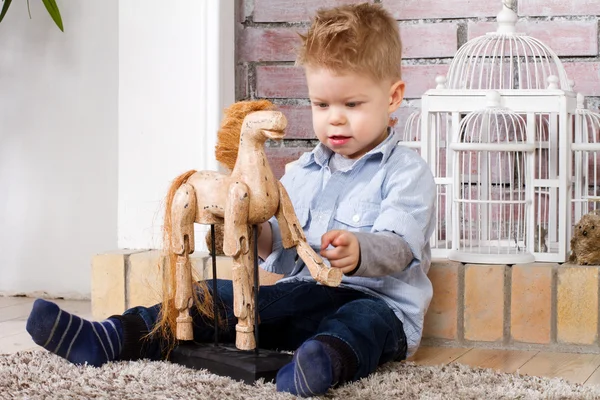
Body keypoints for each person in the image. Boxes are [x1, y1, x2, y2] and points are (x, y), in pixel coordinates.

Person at [25, 2, 436, 397]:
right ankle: (113, 336)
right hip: (304, 293)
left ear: (393, 97)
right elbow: (286, 253)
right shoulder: (302, 172)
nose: (335, 118)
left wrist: (361, 249)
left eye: (352, 104)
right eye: (321, 104)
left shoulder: (405, 171)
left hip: (378, 303)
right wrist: (253, 233)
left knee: (360, 323)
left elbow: (400, 247)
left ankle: (322, 364)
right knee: (214, 296)